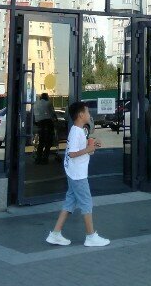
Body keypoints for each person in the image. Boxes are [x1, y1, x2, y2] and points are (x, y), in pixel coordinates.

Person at [45, 102, 110, 247]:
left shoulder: (78, 131)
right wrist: (88, 149)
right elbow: (72, 153)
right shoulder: (76, 132)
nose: (89, 114)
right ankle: (90, 236)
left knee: (70, 202)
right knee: (86, 203)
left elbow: (82, 150)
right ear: (81, 115)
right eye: (87, 112)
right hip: (77, 175)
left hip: (74, 172)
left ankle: (55, 234)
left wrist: (92, 146)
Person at [34, 92, 56, 164]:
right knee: (48, 141)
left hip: (39, 123)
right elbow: (52, 113)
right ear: (47, 97)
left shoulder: (36, 104)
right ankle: (45, 158)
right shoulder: (48, 103)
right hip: (48, 123)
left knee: (41, 141)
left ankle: (38, 158)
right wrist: (55, 119)